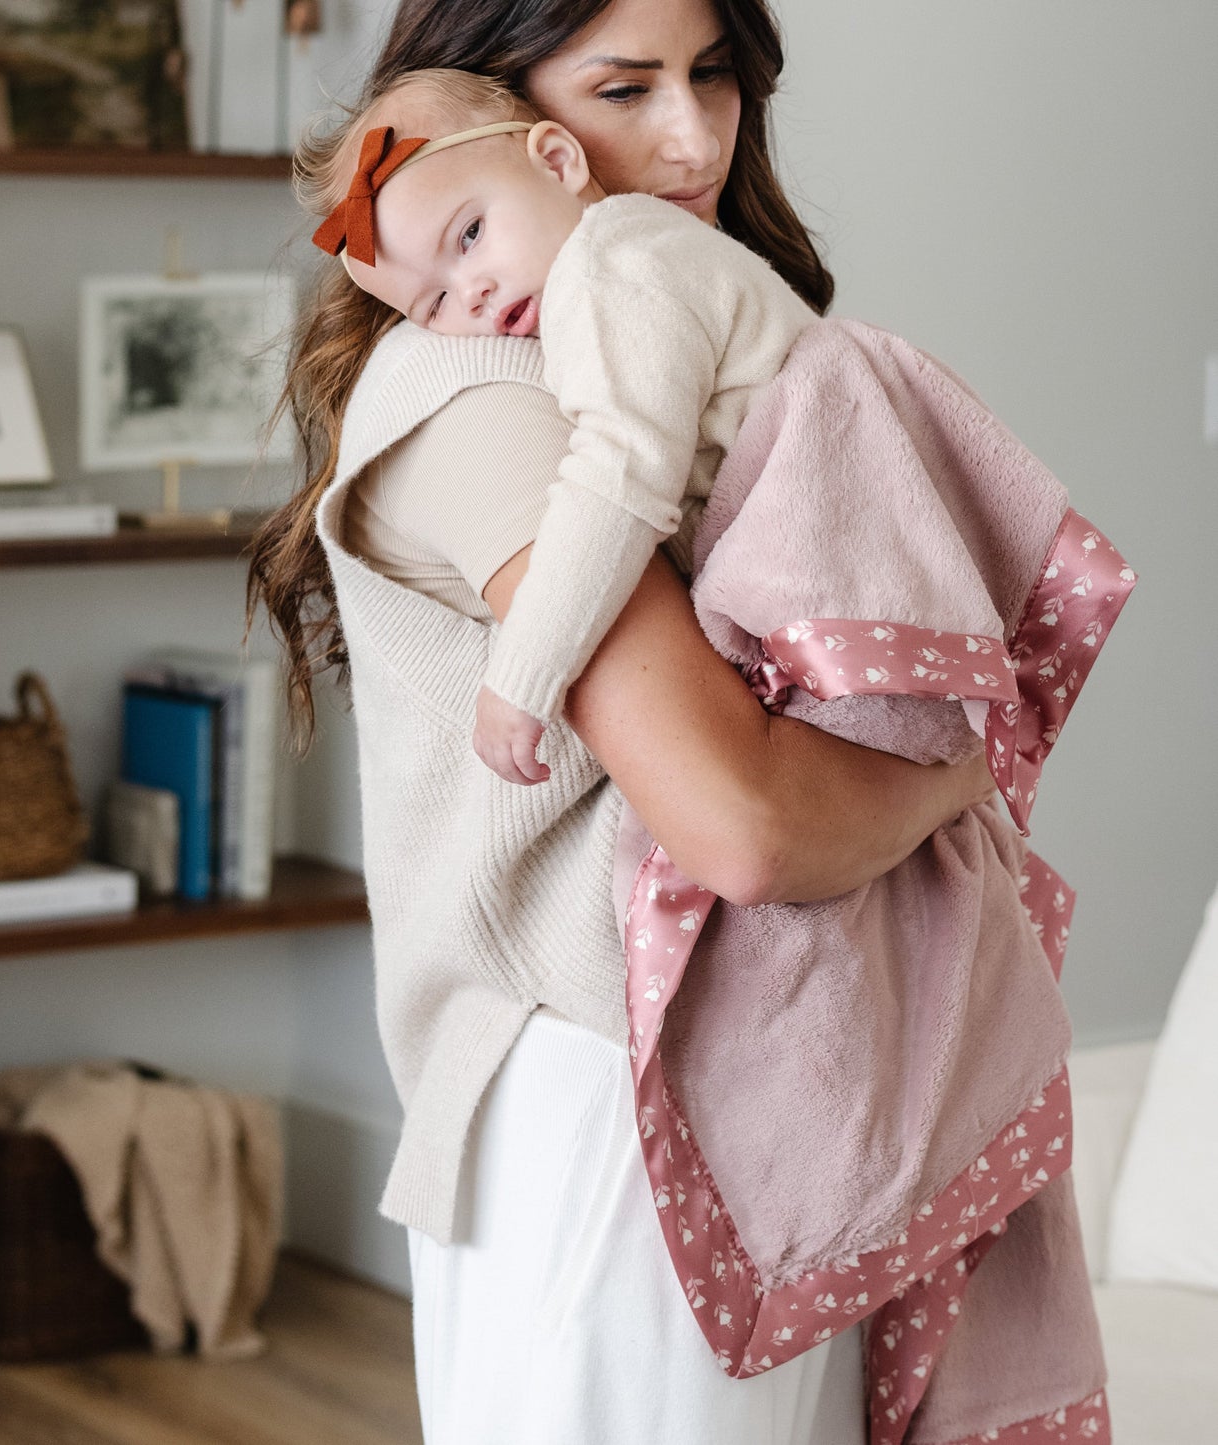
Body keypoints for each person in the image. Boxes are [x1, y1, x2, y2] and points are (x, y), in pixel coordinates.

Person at [246, 1, 997, 1439]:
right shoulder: (481, 390)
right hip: (611, 1080)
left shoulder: (645, 329)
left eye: (712, 76)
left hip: (754, 1067)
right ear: (508, 105)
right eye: (625, 85)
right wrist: (954, 777)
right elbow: (749, 824)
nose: (692, 135)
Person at [313, 68, 818, 786]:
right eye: (433, 303)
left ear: (556, 162)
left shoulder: (611, 271)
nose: (473, 292)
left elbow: (617, 481)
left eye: (471, 234)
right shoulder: (618, 266)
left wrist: (522, 677)